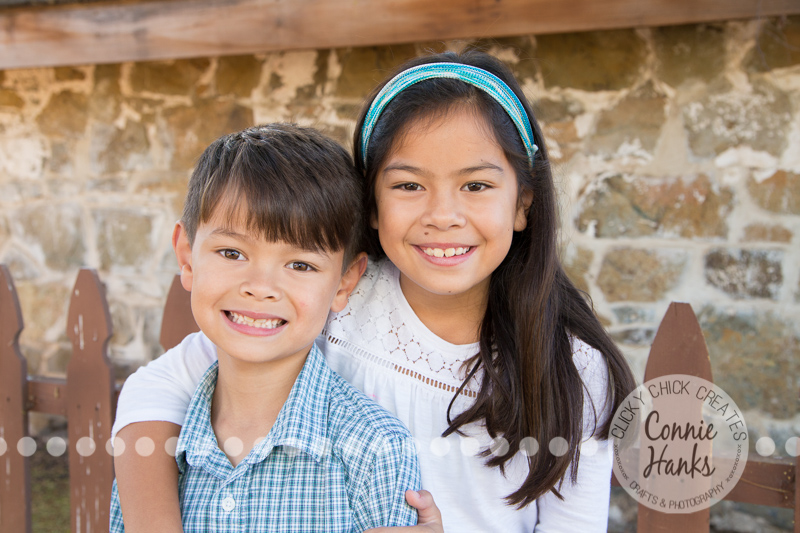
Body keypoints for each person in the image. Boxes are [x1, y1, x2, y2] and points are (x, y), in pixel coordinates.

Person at [112, 50, 636, 532]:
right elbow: (155, 389)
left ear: (523, 203)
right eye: (408, 185)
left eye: (476, 185)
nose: (443, 216)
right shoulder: (332, 301)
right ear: (371, 204)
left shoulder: (571, 369)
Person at [109, 124, 421, 532]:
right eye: (232, 252)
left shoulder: (376, 449)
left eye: (300, 265)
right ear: (187, 258)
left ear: (345, 281)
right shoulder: (162, 446)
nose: (260, 288)